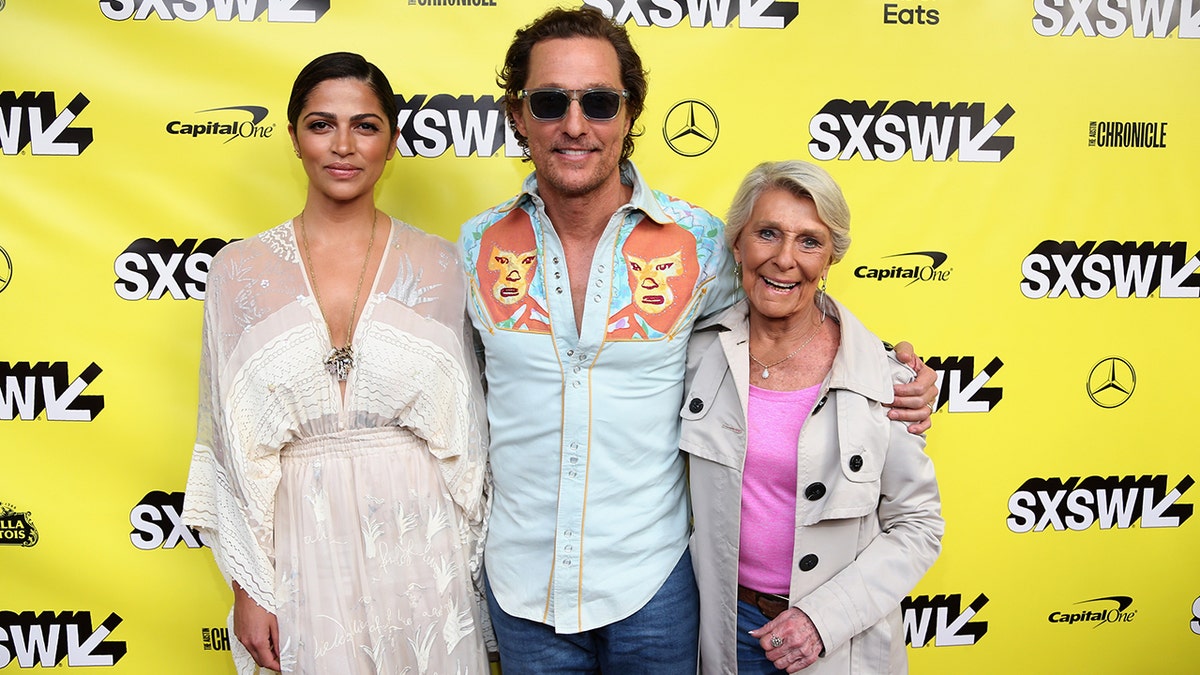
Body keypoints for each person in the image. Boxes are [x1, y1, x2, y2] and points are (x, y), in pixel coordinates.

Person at [460, 8, 936, 674]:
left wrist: (892, 370)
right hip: (520, 587)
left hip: (652, 588)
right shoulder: (475, 246)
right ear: (517, 114)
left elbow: (787, 298)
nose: (574, 124)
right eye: (549, 102)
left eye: (598, 102)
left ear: (629, 114)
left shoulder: (700, 244)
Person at [182, 52, 489, 674]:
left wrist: (477, 579)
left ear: (393, 142)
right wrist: (249, 588)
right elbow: (233, 451)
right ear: (294, 136)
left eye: (366, 126)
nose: (343, 146)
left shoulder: (443, 265)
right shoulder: (236, 272)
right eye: (322, 125)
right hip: (302, 552)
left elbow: (472, 441)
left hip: (422, 547)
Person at [682, 160, 944, 674]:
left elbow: (918, 524)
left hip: (836, 643)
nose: (784, 259)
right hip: (721, 630)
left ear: (830, 258)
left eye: (809, 241)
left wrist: (821, 620)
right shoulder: (694, 353)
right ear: (738, 244)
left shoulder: (883, 377)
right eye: (767, 234)